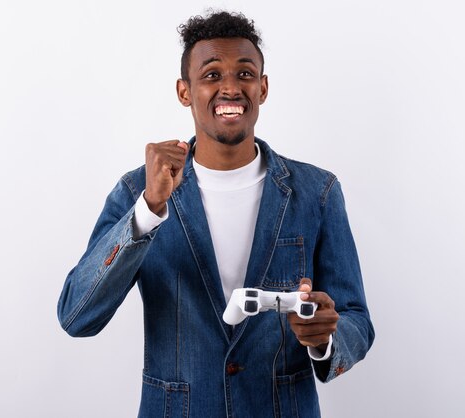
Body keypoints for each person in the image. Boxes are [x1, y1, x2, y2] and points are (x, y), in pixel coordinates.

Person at [57, 10, 374, 418]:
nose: (230, 87)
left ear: (263, 87)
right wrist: (149, 211)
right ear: (184, 91)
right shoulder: (138, 192)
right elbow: (77, 316)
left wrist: (324, 340)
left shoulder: (317, 192)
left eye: (244, 74)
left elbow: (356, 320)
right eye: (211, 75)